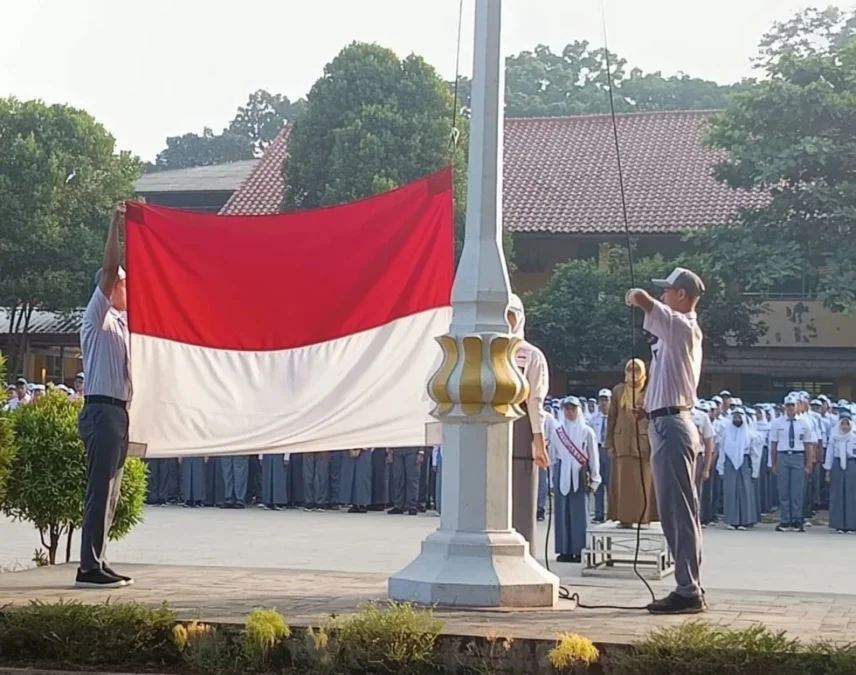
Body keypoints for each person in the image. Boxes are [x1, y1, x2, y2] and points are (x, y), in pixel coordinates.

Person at [626, 266, 706, 615]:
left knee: (679, 511)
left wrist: (636, 296)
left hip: (673, 426)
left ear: (682, 296)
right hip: (665, 420)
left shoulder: (680, 325)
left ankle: (688, 589)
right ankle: (686, 585)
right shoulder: (671, 336)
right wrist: (647, 410)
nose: (663, 296)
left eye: (668, 290)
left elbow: (644, 300)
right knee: (675, 509)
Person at [76, 201, 134, 589]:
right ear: (108, 287)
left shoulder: (125, 323)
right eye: (120, 283)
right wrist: (116, 224)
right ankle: (87, 567)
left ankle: (99, 558)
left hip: (118, 412)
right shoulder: (96, 317)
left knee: (111, 493)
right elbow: (111, 268)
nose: (124, 286)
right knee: (100, 489)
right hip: (101, 410)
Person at [508, 294, 550, 558]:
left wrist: (539, 442)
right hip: (492, 430)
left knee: (521, 498)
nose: (506, 320)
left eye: (511, 314)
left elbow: (535, 401)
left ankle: (525, 556)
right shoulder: (485, 351)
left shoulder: (531, 355)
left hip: (521, 429)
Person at [546, 396, 600, 563]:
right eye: (567, 409)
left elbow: (593, 457)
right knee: (562, 514)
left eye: (573, 409)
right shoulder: (557, 433)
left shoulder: (587, 431)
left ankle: (579, 549)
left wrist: (595, 479)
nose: (570, 412)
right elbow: (553, 458)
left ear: (579, 410)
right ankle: (564, 550)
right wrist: (552, 480)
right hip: (562, 473)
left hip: (579, 473)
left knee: (579, 513)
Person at [605, 359, 659, 527]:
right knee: (623, 483)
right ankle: (624, 519)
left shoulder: (650, 391)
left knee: (645, 481)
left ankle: (644, 518)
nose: (633, 374)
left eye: (637, 371)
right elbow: (611, 418)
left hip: (644, 443)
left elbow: (655, 417)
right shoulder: (618, 391)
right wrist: (609, 443)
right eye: (630, 370)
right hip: (622, 442)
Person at [769, 394, 817, 532]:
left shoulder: (805, 423)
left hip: (798, 456)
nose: (790, 408)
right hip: (783, 456)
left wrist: (809, 464)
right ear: (784, 407)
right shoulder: (777, 423)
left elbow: (808, 445)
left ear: (797, 406)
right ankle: (785, 520)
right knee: (783, 490)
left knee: (797, 490)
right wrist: (773, 463)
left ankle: (796, 519)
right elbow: (774, 444)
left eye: (792, 405)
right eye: (787, 405)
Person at [716, 407, 760, 530]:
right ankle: (731, 520)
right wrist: (720, 468)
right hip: (729, 464)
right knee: (730, 492)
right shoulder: (726, 434)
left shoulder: (750, 435)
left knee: (745, 491)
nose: (737, 419)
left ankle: (745, 521)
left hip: (745, 464)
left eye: (739, 417)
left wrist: (755, 471)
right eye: (735, 417)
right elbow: (722, 452)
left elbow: (755, 454)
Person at [824, 411, 856, 534]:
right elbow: (830, 454)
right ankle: (839, 524)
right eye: (842, 424)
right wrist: (828, 470)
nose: (845, 426)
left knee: (851, 494)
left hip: (852, 464)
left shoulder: (854, 436)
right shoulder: (834, 437)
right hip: (837, 465)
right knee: (838, 494)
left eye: (847, 424)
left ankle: (852, 524)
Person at [588, 389, 611, 523]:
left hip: (610, 450)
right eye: (601, 400)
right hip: (597, 450)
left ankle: (612, 514)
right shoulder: (593, 420)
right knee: (598, 483)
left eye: (606, 400)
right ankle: (599, 514)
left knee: (611, 485)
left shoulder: (615, 418)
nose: (603, 403)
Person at [388, 447, 423, 515]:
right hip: (397, 451)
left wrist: (421, 452)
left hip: (413, 450)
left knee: (412, 479)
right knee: (398, 479)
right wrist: (389, 451)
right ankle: (398, 505)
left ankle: (412, 506)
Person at [339, 448, 372, 513]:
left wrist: (360, 448)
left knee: (362, 476)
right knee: (350, 476)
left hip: (364, 449)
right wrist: (350, 449)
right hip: (349, 448)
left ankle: (362, 503)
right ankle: (353, 503)